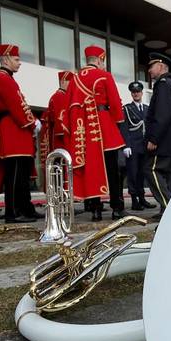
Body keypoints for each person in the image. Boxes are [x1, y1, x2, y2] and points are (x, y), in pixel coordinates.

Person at [64, 45, 127, 221]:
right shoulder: (105, 75)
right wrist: (118, 122)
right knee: (113, 170)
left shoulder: (75, 79)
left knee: (91, 169)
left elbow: (68, 106)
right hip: (104, 126)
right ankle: (116, 208)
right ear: (99, 60)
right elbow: (114, 103)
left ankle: (95, 210)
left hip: (84, 130)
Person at [0, 43, 41, 223]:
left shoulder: (7, 79)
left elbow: (20, 104)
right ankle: (12, 213)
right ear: (6, 59)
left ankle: (25, 208)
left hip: (17, 131)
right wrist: (31, 122)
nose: (19, 63)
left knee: (22, 174)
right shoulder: (3, 79)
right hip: (12, 131)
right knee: (14, 174)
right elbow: (16, 106)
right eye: (17, 59)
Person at [143, 52, 171, 220]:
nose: (149, 71)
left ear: (161, 66)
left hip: (163, 143)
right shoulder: (169, 84)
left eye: (151, 67)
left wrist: (153, 138)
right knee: (168, 175)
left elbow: (162, 115)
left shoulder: (164, 84)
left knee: (151, 169)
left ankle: (168, 207)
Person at [121, 81, 155, 211]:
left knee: (142, 173)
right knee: (133, 173)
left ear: (142, 93)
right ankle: (134, 199)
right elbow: (124, 128)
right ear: (131, 94)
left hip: (145, 146)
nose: (136, 94)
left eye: (138, 92)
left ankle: (142, 198)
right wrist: (126, 146)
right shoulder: (127, 109)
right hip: (133, 146)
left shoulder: (147, 108)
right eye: (134, 92)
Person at [38, 70, 72, 186]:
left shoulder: (63, 96)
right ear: (63, 82)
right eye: (70, 82)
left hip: (61, 141)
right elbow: (60, 121)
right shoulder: (59, 97)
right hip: (60, 141)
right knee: (61, 167)